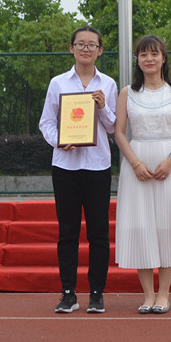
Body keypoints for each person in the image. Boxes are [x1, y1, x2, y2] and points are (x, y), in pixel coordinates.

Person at [114, 35, 171, 315]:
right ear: (137, 60)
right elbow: (119, 133)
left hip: (170, 167)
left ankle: (164, 294)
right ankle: (148, 295)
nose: (148, 59)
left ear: (163, 58)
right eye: (143, 54)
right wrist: (135, 164)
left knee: (167, 227)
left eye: (154, 54)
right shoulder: (127, 93)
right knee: (141, 227)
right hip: (136, 167)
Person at [39, 26, 118, 314]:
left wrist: (103, 107)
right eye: (80, 44)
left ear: (100, 51)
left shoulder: (108, 84)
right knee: (68, 232)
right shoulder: (58, 83)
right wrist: (59, 141)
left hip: (98, 166)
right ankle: (68, 293)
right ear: (71, 48)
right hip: (65, 166)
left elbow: (113, 127)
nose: (86, 49)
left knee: (98, 233)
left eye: (91, 45)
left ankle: (96, 294)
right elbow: (46, 122)